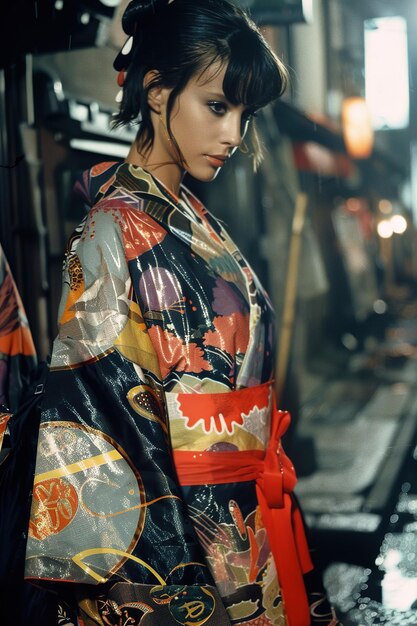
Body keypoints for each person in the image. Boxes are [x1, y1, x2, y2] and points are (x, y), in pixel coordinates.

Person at [23, 1, 340, 624]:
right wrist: (183, 588)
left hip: (240, 511)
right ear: (157, 91)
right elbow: (104, 429)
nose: (234, 133)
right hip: (183, 540)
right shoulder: (109, 233)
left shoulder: (191, 217)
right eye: (218, 106)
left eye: (243, 114)